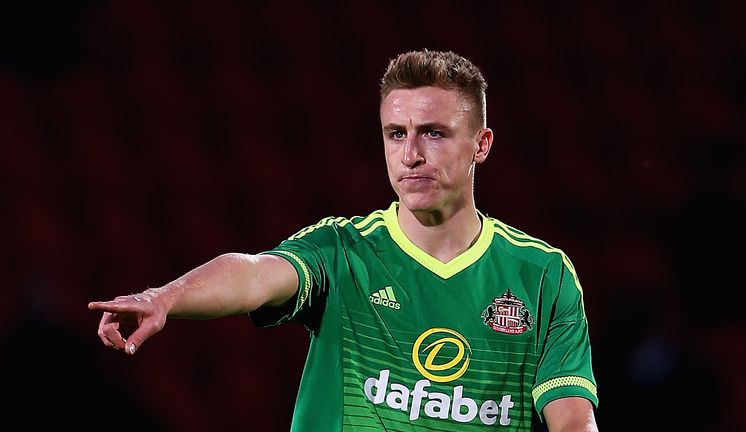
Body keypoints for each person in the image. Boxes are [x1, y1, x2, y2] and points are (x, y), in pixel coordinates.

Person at [89, 49, 599, 431]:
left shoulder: (541, 274)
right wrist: (166, 298)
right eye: (396, 133)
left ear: (481, 144)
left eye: (434, 133)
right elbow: (254, 274)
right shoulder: (342, 250)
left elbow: (573, 419)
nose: (411, 154)